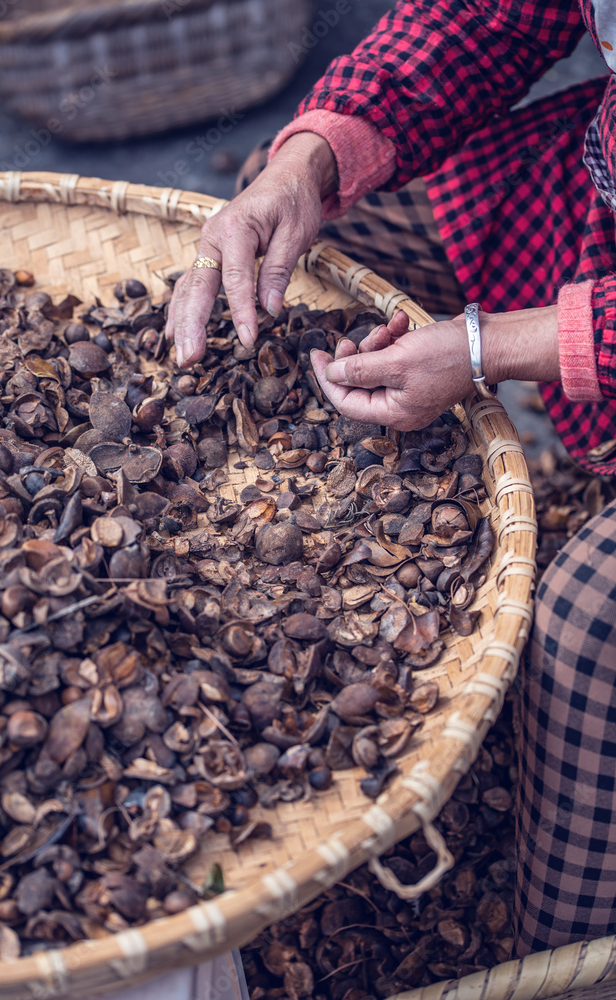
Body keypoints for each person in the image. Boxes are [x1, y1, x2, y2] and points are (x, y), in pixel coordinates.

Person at [166, 0, 616, 960]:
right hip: (601, 198)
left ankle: (558, 963)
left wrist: (497, 345)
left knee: (584, 629)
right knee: (310, 238)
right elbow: (486, 17)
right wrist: (304, 164)